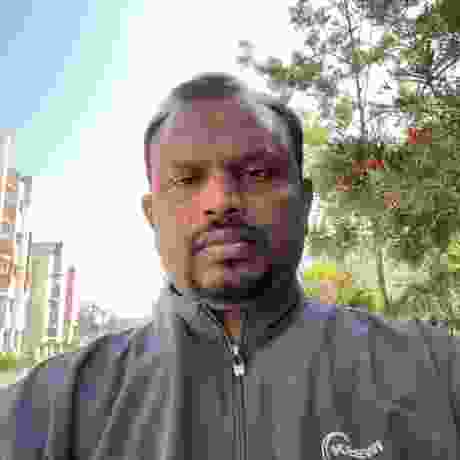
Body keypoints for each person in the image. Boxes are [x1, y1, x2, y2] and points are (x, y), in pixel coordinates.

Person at [1, 73, 459, 459]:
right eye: (187, 179)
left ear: (305, 203)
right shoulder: (51, 406)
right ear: (152, 216)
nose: (221, 201)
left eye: (258, 174)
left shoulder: (436, 372)